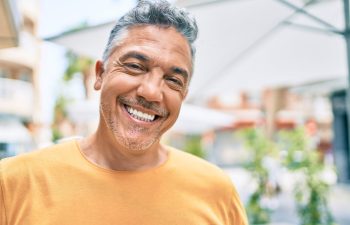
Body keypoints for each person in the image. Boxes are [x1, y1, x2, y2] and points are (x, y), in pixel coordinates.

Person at [0, 1, 248, 224]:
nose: (151, 92)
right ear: (100, 74)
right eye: (135, 66)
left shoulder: (217, 192)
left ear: (183, 95)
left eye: (173, 79)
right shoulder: (13, 183)